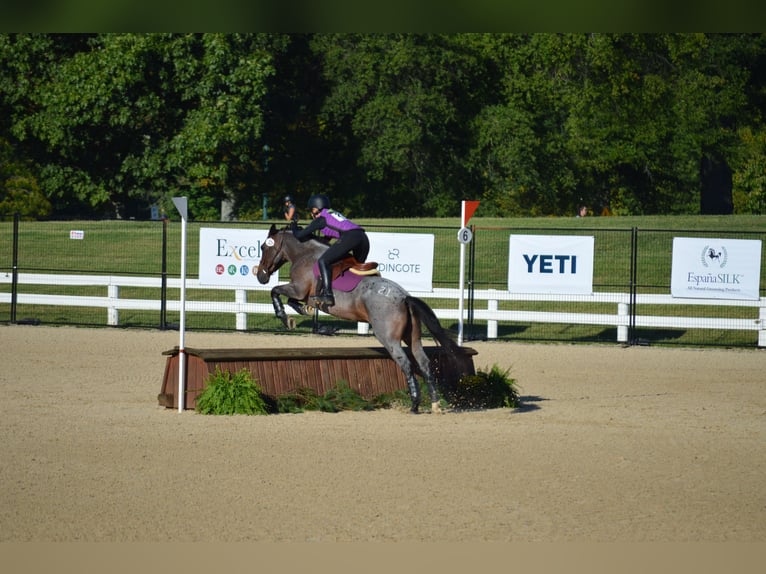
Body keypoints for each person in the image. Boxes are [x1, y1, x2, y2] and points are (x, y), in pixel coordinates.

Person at [291, 194, 369, 307]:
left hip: (350, 237)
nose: (310, 213)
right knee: (354, 270)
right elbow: (325, 240)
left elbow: (299, 235)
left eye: (311, 210)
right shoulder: (331, 214)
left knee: (323, 261)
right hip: (363, 238)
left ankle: (327, 294)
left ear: (315, 209)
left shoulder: (321, 219)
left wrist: (293, 225)